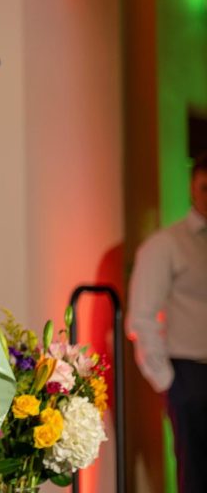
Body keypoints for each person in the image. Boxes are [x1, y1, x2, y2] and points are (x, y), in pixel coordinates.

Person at [127, 154, 207, 493]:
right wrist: (167, 380)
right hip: (190, 373)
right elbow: (141, 315)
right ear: (192, 188)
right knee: (198, 475)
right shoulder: (166, 245)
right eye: (206, 187)